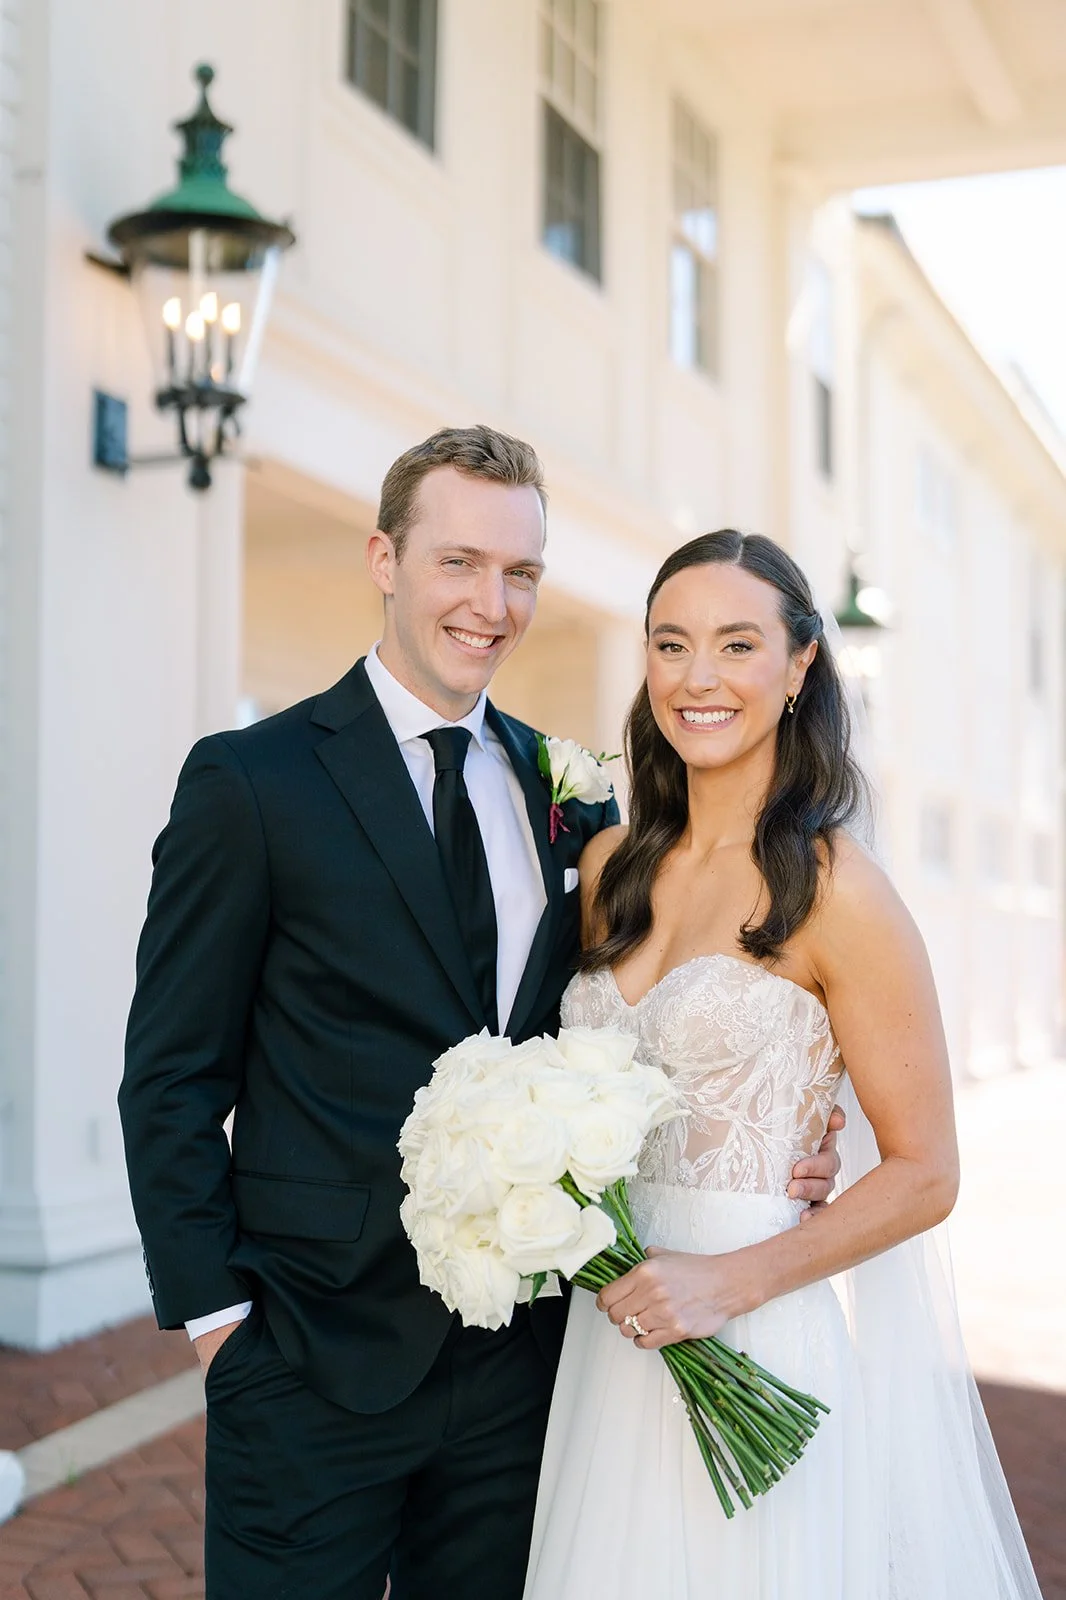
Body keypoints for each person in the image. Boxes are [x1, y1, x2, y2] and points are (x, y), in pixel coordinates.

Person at [118, 438, 842, 1600]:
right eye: (459, 561)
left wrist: (792, 1131)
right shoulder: (251, 784)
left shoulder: (579, 801)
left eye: (520, 571)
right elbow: (168, 1079)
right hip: (308, 1360)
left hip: (526, 1376)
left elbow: (645, 1016)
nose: (491, 603)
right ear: (384, 560)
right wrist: (221, 1332)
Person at [524, 530, 1042, 1600]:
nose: (697, 678)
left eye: (735, 643)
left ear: (800, 663)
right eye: (670, 645)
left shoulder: (837, 886)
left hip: (753, 1328)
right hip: (608, 1334)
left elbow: (926, 1170)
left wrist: (726, 1280)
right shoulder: (607, 867)